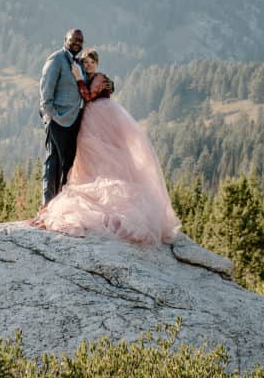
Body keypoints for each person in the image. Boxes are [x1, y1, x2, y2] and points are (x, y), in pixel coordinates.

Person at [34, 48, 180, 244]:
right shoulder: (90, 77)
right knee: (91, 157)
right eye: (86, 63)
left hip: (102, 117)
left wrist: (79, 79)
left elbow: (88, 96)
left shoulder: (98, 77)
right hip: (89, 119)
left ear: (97, 64)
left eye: (92, 62)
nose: (88, 65)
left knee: (107, 154)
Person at [38, 28, 87, 205]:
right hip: (57, 120)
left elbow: (86, 85)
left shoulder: (79, 63)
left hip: (73, 121)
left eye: (80, 41)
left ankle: (61, 205)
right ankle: (47, 204)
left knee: (67, 166)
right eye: (73, 40)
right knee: (53, 163)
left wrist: (107, 84)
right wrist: (52, 116)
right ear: (65, 40)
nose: (76, 43)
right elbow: (45, 93)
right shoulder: (56, 59)